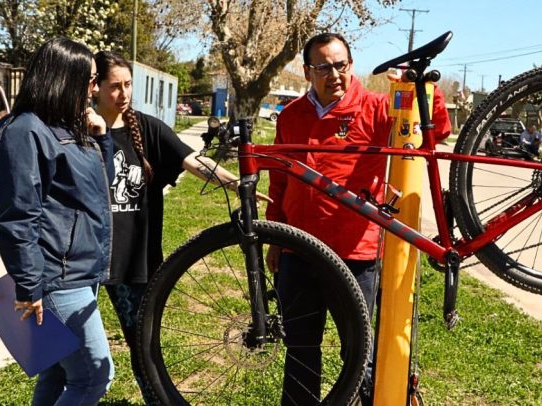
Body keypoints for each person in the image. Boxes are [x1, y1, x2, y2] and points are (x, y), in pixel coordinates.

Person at [264, 32, 451, 405]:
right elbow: (280, 180)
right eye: (323, 67)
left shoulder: (377, 108)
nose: (334, 74)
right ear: (307, 72)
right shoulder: (290, 116)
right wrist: (275, 237)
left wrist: (421, 90)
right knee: (300, 348)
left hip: (356, 256)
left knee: (359, 353)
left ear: (350, 66)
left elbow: (436, 128)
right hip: (299, 252)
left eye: (341, 65)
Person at [92, 50, 269, 403]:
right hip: (87, 261)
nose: (123, 94)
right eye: (114, 86)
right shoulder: (81, 132)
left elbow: (193, 161)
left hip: (133, 263)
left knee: (143, 347)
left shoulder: (147, 129)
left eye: (128, 85)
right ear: (94, 88)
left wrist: (235, 184)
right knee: (74, 353)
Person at [0, 37, 114, 405]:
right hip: (56, 278)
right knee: (95, 375)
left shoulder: (67, 127)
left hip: (79, 272)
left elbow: (94, 190)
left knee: (57, 373)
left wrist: (101, 138)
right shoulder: (26, 131)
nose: (95, 90)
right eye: (91, 80)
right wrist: (30, 287)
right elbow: (18, 217)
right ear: (66, 78)